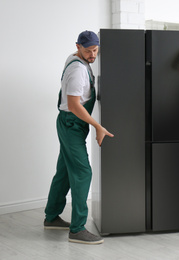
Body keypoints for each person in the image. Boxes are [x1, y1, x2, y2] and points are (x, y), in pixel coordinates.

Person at [44, 30, 114, 245]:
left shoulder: (77, 59)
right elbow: (74, 105)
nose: (93, 54)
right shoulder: (77, 70)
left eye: (95, 50)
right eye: (88, 51)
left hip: (72, 124)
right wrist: (98, 126)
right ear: (78, 47)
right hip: (71, 123)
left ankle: (52, 216)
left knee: (65, 171)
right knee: (83, 172)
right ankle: (77, 229)